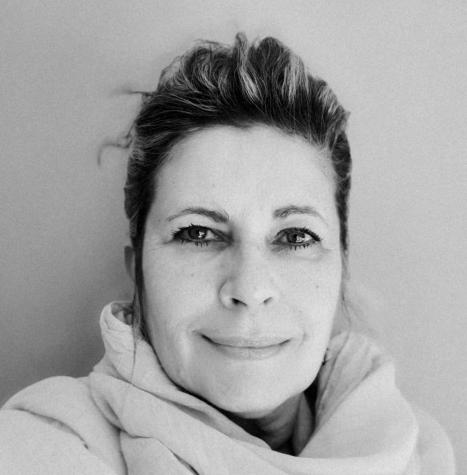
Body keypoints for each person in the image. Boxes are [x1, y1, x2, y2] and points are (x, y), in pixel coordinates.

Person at [0, 33, 455, 474]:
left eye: (296, 236)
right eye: (198, 233)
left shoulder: (422, 454)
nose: (249, 289)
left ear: (341, 269)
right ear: (137, 272)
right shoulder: (43, 447)